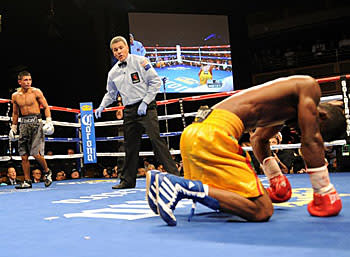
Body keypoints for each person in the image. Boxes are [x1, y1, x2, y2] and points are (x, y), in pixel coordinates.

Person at [146, 75, 345, 226]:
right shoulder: (309, 87)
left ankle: (164, 183)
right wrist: (323, 190)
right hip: (214, 134)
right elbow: (311, 141)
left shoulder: (284, 108)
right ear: (322, 117)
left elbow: (258, 139)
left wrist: (276, 178)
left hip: (195, 133)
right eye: (319, 131)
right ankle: (178, 186)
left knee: (234, 200)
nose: (302, 133)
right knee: (261, 210)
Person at [95, 36, 179, 189]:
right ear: (113, 53)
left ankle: (176, 177)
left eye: (121, 48)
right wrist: (102, 106)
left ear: (127, 47)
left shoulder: (141, 61)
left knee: (156, 141)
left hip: (146, 106)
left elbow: (156, 82)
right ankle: (128, 181)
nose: (119, 52)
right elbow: (111, 94)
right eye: (115, 50)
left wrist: (145, 102)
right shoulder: (113, 73)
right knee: (130, 146)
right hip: (129, 110)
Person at [9, 71, 54, 189]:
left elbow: (45, 107)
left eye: (29, 79)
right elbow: (15, 113)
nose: (28, 82)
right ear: (19, 81)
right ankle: (27, 181)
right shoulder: (15, 96)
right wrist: (14, 128)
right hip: (23, 124)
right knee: (23, 155)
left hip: (36, 123)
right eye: (25, 80)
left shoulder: (36, 92)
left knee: (35, 153)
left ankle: (47, 171)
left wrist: (48, 121)